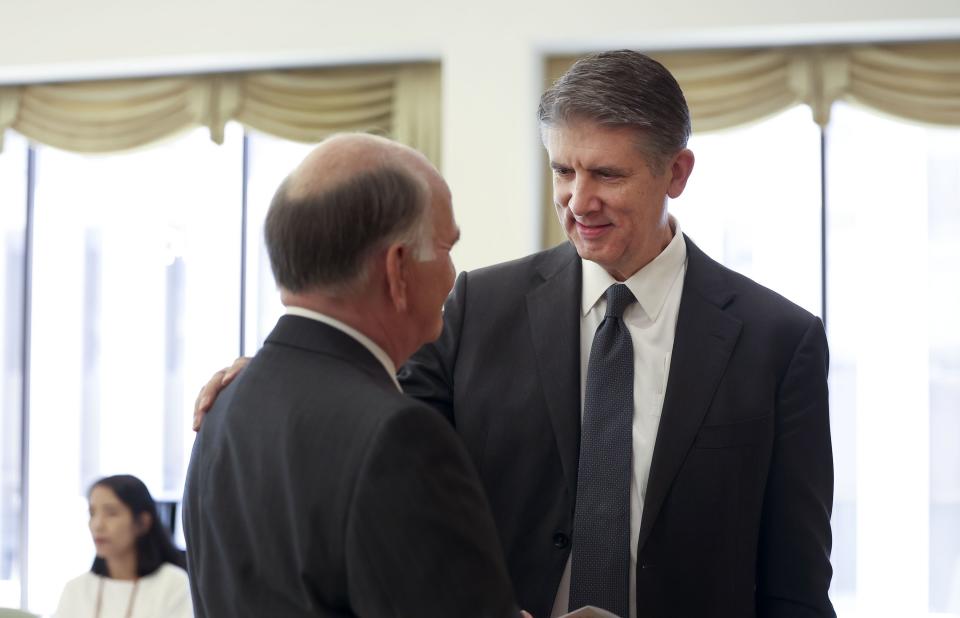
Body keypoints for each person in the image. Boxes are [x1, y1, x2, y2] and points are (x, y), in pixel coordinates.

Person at [197, 51, 836, 618]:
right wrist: (280, 376)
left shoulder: (778, 341)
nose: (578, 201)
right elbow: (370, 425)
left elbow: (796, 585)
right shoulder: (477, 305)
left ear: (677, 173)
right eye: (563, 171)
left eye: (607, 175)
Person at [182, 134, 522, 617]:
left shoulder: (223, 407)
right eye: (447, 248)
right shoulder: (398, 436)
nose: (453, 276)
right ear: (397, 268)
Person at [53, 474, 192, 618]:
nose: (97, 525)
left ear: (143, 522)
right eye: (92, 513)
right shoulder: (76, 589)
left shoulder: (172, 584)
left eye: (111, 513)